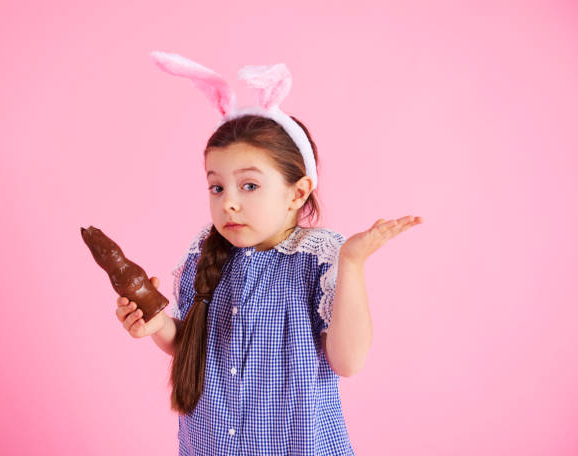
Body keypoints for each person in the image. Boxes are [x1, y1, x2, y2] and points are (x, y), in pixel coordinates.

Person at [115, 53, 423, 455]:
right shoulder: (204, 254)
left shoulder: (317, 259)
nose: (228, 203)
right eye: (217, 187)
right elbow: (190, 343)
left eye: (249, 186)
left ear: (297, 192)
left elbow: (348, 362)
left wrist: (352, 263)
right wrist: (155, 325)